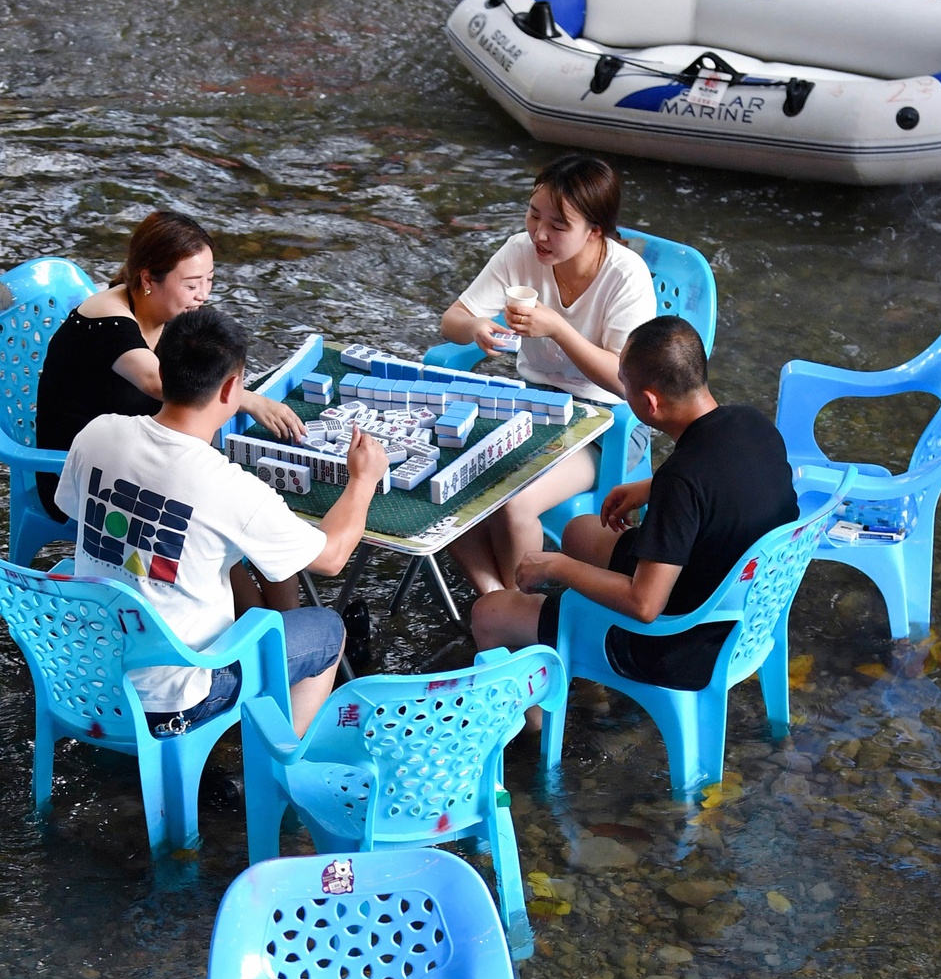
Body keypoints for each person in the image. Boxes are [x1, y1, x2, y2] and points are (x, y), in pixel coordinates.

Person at [55, 305, 389, 737]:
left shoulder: (97, 433)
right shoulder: (229, 488)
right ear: (232, 388)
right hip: (170, 701)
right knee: (327, 629)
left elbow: (75, 512)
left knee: (223, 558)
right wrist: (363, 478)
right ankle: (278, 763)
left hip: (82, 674)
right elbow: (332, 557)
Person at [472, 316, 799, 702]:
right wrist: (650, 487)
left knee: (489, 613)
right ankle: (575, 656)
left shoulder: (683, 479)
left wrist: (555, 565)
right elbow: (722, 482)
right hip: (745, 608)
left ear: (650, 403)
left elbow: (644, 605)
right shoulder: (750, 421)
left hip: (678, 643)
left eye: (625, 386)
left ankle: (535, 727)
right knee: (580, 531)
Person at [439, 155, 657, 595]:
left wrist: (557, 327)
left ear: (594, 229)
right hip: (533, 406)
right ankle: (498, 599)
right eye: (534, 214)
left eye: (558, 226)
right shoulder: (521, 251)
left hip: (606, 424)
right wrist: (477, 327)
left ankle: (522, 610)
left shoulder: (625, 276)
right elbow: (453, 320)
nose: (539, 233)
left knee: (514, 501)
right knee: (448, 482)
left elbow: (625, 381)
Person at [36, 210, 305, 524]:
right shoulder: (106, 319)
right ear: (149, 279)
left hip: (134, 454)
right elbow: (158, 381)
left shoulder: (164, 309)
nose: (203, 295)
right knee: (219, 517)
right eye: (192, 285)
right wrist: (248, 399)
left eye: (209, 281)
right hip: (78, 476)